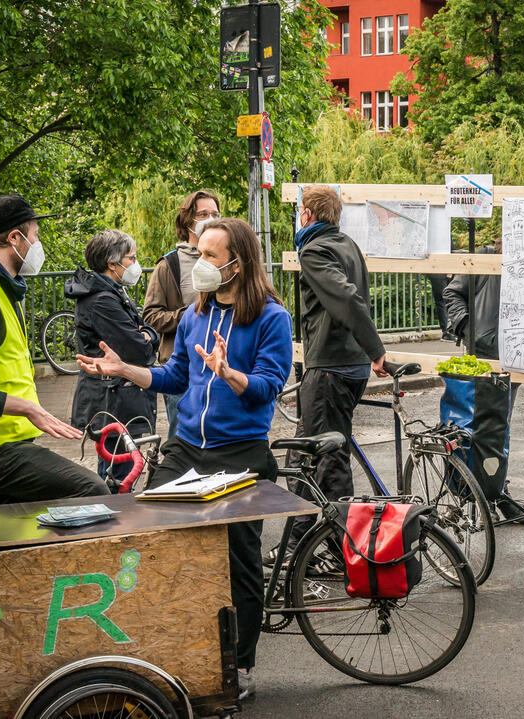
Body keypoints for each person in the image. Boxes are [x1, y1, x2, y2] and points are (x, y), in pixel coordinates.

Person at [77, 217, 292, 696]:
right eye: (199, 255)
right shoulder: (196, 314)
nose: (201, 266)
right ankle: (172, 649)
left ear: (239, 264)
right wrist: (124, 369)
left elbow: (266, 389)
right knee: (157, 540)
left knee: (239, 560)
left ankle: (239, 667)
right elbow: (175, 376)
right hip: (185, 449)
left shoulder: (271, 317)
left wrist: (231, 373)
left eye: (211, 257)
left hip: (241, 452)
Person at [0, 193, 109, 505]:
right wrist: (28, 408)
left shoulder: (0, 287)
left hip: (4, 442)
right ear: (15, 238)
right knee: (92, 490)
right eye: (35, 236)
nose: (37, 245)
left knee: (5, 536)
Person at [276, 184, 387, 559]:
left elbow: (347, 299)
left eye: (300, 211)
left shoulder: (314, 250)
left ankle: (350, 552)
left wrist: (377, 349)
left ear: (307, 213)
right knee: (304, 456)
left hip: (329, 368)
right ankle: (297, 546)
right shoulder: (348, 245)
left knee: (329, 462)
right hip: (347, 366)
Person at [443, 238, 524, 523]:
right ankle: (468, 496)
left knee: (500, 430)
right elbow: (453, 293)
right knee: (473, 428)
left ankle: (496, 492)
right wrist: (468, 329)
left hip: (515, 358)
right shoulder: (485, 257)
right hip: (484, 356)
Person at [66, 229, 158, 484]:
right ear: (112, 263)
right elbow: (139, 349)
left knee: (119, 471)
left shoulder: (110, 291)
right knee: (118, 477)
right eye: (132, 258)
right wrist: (148, 336)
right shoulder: (102, 300)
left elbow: (143, 332)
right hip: (113, 400)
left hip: (117, 398)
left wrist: (147, 334)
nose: (135, 264)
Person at [143, 189, 221, 437]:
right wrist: (189, 314)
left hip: (219, 368)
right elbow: (152, 316)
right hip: (182, 370)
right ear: (188, 221)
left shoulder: (227, 259)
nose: (211, 219)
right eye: (203, 214)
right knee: (182, 440)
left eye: (215, 214)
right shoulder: (170, 265)